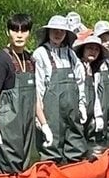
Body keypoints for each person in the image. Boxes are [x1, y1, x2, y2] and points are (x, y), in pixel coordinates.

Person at [0, 12, 38, 173]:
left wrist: (43, 123)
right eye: (15, 30)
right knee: (9, 166)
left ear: (29, 33)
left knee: (23, 164)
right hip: (7, 126)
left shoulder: (29, 59)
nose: (19, 35)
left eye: (24, 31)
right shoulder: (1, 60)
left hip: (26, 126)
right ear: (8, 32)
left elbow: (35, 97)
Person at [34, 14, 88, 165]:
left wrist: (82, 104)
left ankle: (76, 165)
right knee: (51, 141)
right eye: (54, 30)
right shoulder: (40, 54)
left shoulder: (71, 55)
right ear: (48, 32)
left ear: (66, 34)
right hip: (50, 109)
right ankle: (50, 167)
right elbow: (37, 85)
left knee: (76, 136)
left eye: (62, 31)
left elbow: (80, 81)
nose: (58, 34)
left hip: (72, 107)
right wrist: (39, 114)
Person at [75, 30, 109, 156]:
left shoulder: (94, 70)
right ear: (82, 49)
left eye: (96, 49)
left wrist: (97, 116)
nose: (93, 51)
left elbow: (96, 95)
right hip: (78, 116)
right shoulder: (77, 66)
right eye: (89, 48)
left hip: (91, 117)